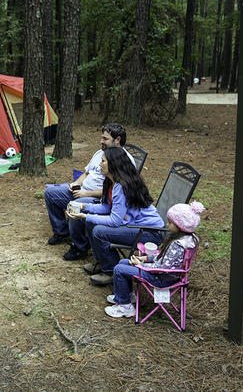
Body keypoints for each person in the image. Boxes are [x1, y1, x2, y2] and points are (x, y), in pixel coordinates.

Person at [66, 147, 165, 285]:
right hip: (134, 226)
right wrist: (84, 207)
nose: (100, 164)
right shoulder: (111, 182)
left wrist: (85, 216)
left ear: (112, 164)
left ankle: (111, 271)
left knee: (99, 231)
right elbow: (106, 207)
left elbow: (114, 221)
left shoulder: (122, 186)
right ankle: (102, 261)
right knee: (92, 223)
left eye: (103, 161)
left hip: (149, 232)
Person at [44, 124, 135, 261]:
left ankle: (80, 247)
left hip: (96, 197)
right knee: (50, 193)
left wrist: (86, 194)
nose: (101, 141)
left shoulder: (124, 161)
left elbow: (114, 192)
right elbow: (87, 172)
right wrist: (76, 184)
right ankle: (61, 232)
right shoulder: (100, 153)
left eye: (105, 139)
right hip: (81, 190)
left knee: (76, 205)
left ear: (117, 140)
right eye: (101, 138)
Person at [104, 201, 205, 318]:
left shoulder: (178, 244)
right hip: (162, 273)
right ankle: (127, 296)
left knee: (119, 269)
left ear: (181, 226)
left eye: (171, 223)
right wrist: (145, 258)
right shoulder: (185, 238)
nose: (167, 225)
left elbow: (163, 268)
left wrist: (141, 265)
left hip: (160, 278)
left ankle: (125, 307)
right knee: (123, 262)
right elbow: (164, 257)